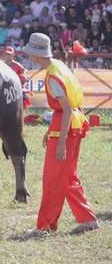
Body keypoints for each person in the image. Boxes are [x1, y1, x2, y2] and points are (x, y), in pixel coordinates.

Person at [22, 33, 99, 236]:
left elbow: (64, 109)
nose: (30, 58)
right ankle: (88, 219)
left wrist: (61, 141)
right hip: (73, 123)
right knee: (67, 176)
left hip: (65, 126)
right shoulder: (59, 66)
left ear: (36, 55)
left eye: (31, 54)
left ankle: (45, 227)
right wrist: (51, 131)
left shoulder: (52, 76)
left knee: (53, 179)